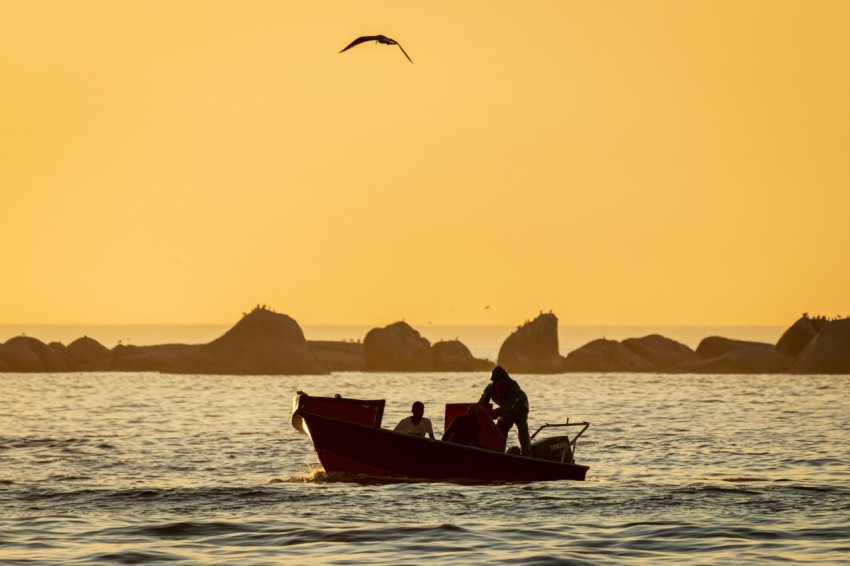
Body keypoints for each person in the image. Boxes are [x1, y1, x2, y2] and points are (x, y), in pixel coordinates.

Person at [477, 365, 531, 456]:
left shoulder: (514, 389)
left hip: (520, 408)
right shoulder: (491, 388)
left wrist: (493, 413)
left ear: (506, 381)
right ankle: (499, 453)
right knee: (500, 432)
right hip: (505, 411)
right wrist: (478, 410)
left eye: (502, 384)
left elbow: (509, 407)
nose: (499, 388)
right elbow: (482, 403)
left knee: (522, 430)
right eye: (497, 384)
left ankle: (527, 454)